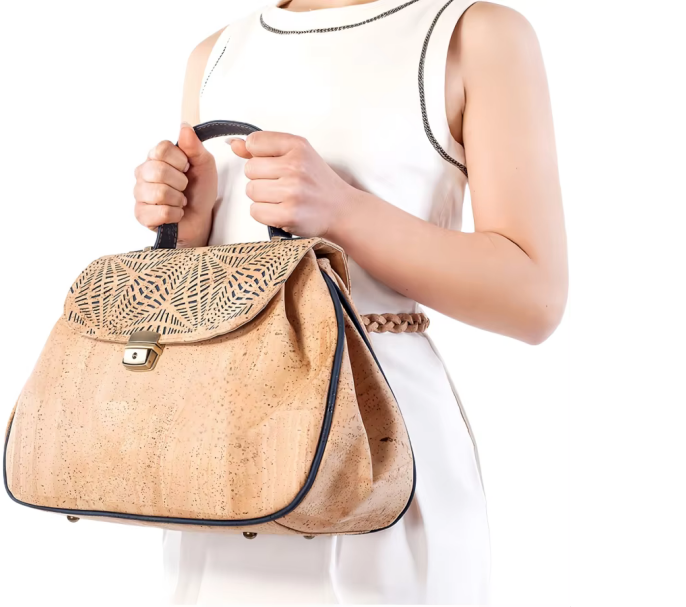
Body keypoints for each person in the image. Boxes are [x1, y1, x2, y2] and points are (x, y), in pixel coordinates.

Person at [131, 0, 567, 603]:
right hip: (220, 453)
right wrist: (191, 233)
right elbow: (201, 306)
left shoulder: (471, 34)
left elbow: (534, 298)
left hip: (378, 454)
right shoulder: (215, 53)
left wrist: (342, 210)